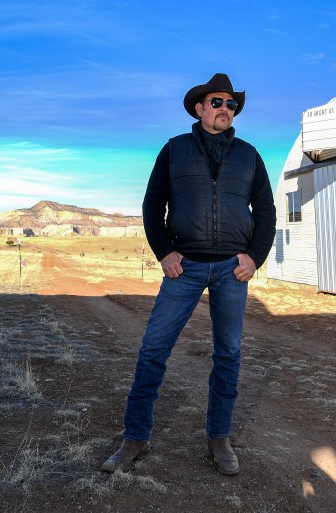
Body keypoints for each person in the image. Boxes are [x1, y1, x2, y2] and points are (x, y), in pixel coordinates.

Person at [102, 73, 276, 476]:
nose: (225, 110)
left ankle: (219, 438)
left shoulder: (249, 155)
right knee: (153, 350)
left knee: (228, 353)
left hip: (233, 270)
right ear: (199, 108)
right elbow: (152, 206)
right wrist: (165, 252)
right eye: (218, 103)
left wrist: (254, 257)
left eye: (231, 105)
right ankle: (135, 438)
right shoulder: (174, 150)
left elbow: (265, 212)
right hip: (186, 269)